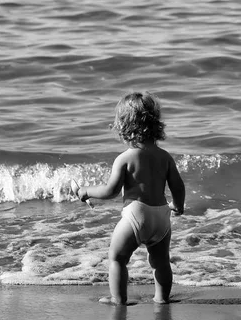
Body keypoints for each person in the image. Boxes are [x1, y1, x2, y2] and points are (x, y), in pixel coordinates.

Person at [71, 91, 185, 305]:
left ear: (123, 126)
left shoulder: (125, 158)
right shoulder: (165, 157)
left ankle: (119, 300)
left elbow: (110, 191)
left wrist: (86, 191)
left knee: (117, 258)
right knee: (160, 263)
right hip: (161, 216)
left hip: (136, 215)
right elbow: (177, 185)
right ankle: (162, 299)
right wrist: (178, 206)